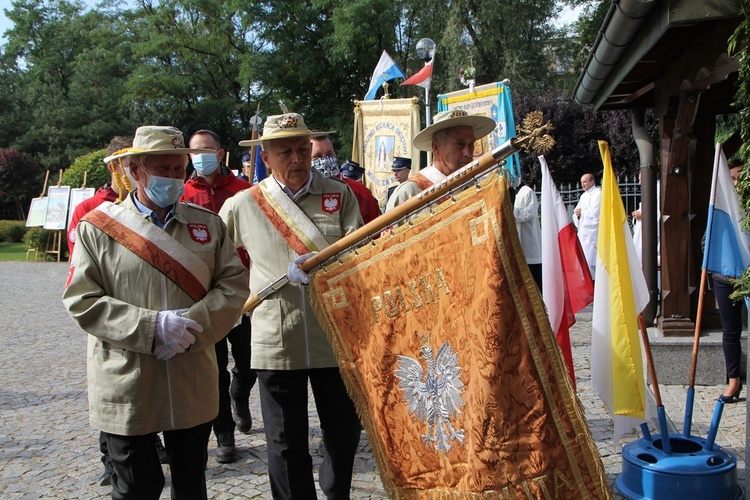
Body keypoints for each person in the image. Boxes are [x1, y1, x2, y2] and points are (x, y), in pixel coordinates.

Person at [63, 125, 250, 499]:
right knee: (135, 487)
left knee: (191, 485)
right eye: (161, 168)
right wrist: (152, 328)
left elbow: (233, 286)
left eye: (178, 169)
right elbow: (82, 299)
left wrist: (190, 326)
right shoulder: (97, 229)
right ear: (135, 170)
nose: (172, 176)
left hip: (190, 373)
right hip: (127, 378)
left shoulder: (208, 226)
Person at [219, 113, 363, 499]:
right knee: (284, 442)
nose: (297, 159)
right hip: (275, 337)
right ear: (265, 154)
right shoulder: (243, 204)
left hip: (332, 335)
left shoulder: (339, 194)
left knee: (344, 432)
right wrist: (233, 300)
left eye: (302, 149)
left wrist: (327, 265)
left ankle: (336, 493)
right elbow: (215, 260)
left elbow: (357, 252)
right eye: (285, 152)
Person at [66, 135, 169, 486]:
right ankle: (110, 457)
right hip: (117, 327)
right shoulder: (92, 212)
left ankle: (153, 443)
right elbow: (81, 279)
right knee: (120, 404)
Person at [181, 129, 256, 464]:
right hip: (202, 298)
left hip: (243, 294)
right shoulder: (181, 195)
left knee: (249, 364)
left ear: (220, 153)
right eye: (195, 151)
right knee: (215, 369)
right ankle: (224, 434)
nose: (201, 156)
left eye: (207, 150)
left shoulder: (243, 191)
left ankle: (240, 395)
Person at [384, 109, 495, 213]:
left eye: (471, 144)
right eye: (460, 144)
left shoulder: (475, 188)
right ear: (436, 147)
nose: (468, 153)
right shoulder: (408, 194)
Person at [67, 136, 132, 258]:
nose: (137, 170)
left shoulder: (150, 205)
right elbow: (78, 259)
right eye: (131, 165)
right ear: (113, 167)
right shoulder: (87, 208)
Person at [713, 159, 746, 403]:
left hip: (746, 272)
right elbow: (708, 239)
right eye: (732, 178)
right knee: (730, 331)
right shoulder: (721, 207)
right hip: (725, 275)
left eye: (739, 178)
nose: (735, 183)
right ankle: (733, 381)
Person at [311, 135, 381, 224]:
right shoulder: (301, 191)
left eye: (329, 154)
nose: (325, 160)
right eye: (318, 156)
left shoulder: (358, 190)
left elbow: (375, 227)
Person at [512, 177, 542, 291]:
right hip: (517, 236)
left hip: (529, 238)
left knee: (533, 272)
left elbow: (530, 212)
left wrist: (511, 210)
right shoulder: (513, 193)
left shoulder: (527, 191)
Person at [573, 173, 601, 276]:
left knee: (592, 261)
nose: (582, 185)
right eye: (581, 182)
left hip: (593, 234)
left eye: (585, 182)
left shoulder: (598, 194)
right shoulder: (583, 196)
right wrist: (577, 214)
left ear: (592, 181)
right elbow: (576, 211)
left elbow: (597, 215)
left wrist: (583, 213)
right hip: (583, 233)